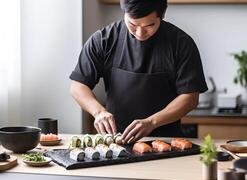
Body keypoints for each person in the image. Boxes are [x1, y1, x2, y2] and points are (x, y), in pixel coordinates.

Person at [69, 0, 208, 144]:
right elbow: (78, 86)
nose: (140, 33)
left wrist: (152, 122)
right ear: (124, 13)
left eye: (150, 25)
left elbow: (190, 98)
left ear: (163, 13)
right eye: (133, 25)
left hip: (166, 141)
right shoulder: (103, 40)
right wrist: (98, 112)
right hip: (116, 140)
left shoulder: (181, 43)